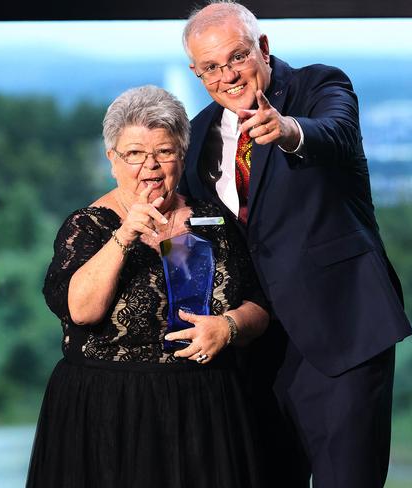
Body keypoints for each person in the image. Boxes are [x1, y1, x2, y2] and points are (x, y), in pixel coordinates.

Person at [179, 2, 412, 487]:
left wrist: (288, 130)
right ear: (196, 72)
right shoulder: (197, 133)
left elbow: (337, 132)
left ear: (263, 48)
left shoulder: (319, 85)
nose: (227, 75)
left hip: (342, 335)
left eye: (237, 56)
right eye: (210, 67)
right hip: (254, 350)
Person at [26, 85, 269, 488]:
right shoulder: (87, 226)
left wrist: (228, 327)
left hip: (203, 411)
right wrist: (124, 236)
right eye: (135, 154)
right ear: (113, 160)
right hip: (106, 413)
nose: (151, 166)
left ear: (182, 156)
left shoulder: (214, 220)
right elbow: (82, 311)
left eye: (165, 152)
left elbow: (260, 305)